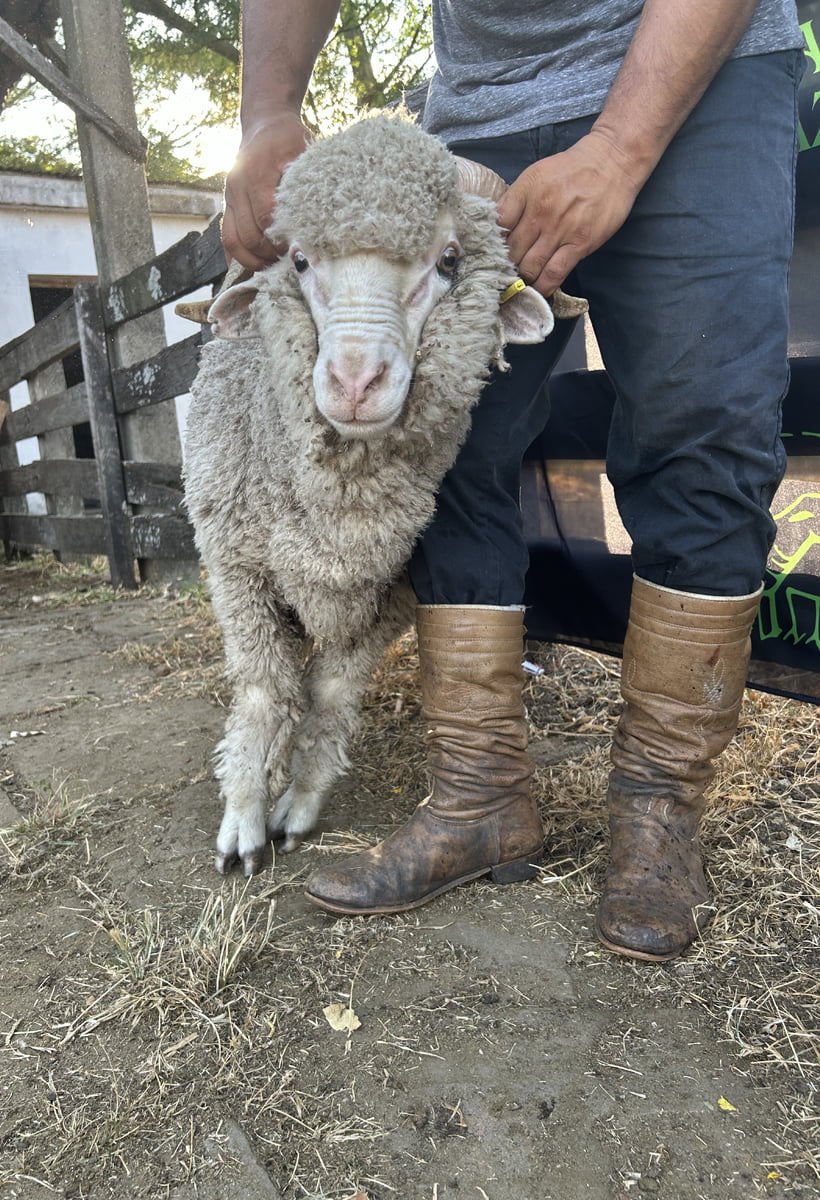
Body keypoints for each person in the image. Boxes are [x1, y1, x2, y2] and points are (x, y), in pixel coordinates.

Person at [221, 1, 805, 961]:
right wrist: (266, 112)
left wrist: (619, 146)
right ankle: (478, 795)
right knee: (434, 440)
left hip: (701, 73)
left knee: (707, 428)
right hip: (479, 107)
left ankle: (657, 818)